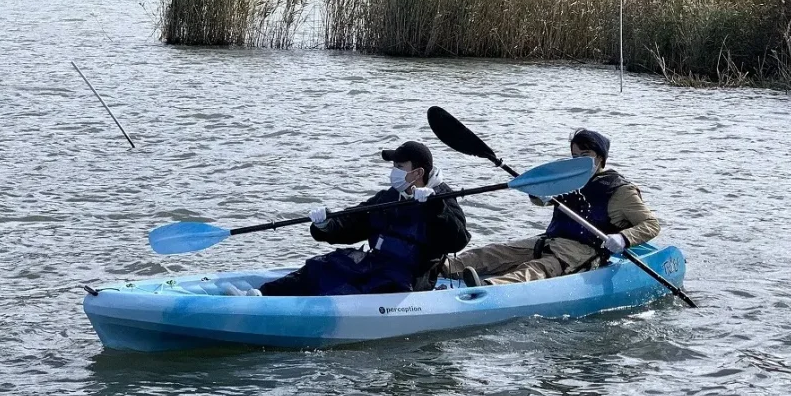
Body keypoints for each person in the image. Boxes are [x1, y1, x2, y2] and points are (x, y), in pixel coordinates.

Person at [247, 141, 470, 297]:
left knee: (356, 289)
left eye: (400, 167)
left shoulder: (441, 198)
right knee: (321, 267)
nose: (394, 171)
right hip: (377, 264)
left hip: (411, 278)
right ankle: (262, 294)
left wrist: (435, 208)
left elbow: (458, 240)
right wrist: (325, 225)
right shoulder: (389, 197)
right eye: (394, 166)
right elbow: (354, 221)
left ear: (418, 173)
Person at [443, 129, 659, 286]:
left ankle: (490, 287)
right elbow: (540, 200)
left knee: (537, 269)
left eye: (585, 156)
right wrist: (538, 194)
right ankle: (441, 268)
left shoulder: (620, 191)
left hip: (583, 252)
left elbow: (651, 224)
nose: (578, 162)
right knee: (494, 251)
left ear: (600, 157)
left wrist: (623, 238)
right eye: (575, 157)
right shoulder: (571, 179)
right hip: (550, 240)